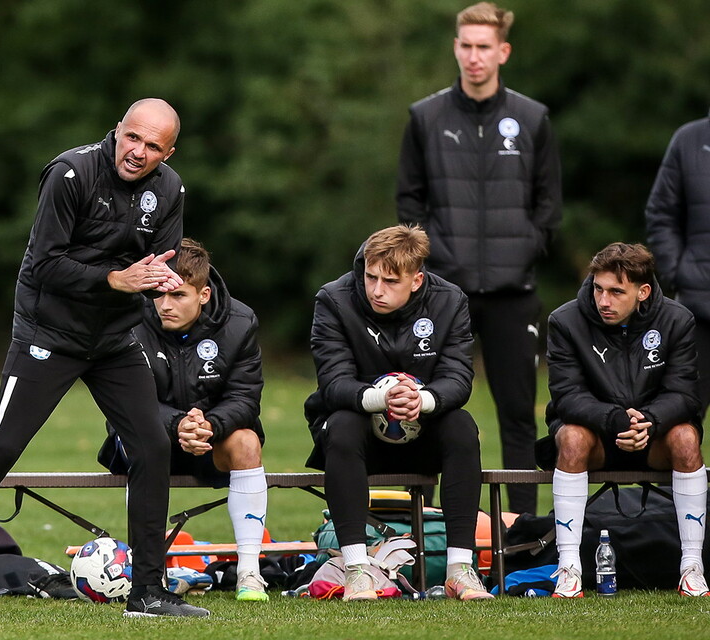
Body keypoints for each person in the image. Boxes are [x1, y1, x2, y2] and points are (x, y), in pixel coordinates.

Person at [0, 98, 210, 619]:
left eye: (153, 146)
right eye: (132, 137)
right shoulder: (71, 173)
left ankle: (147, 594)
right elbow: (43, 265)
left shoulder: (169, 189)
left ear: (168, 152)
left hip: (114, 338)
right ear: (117, 131)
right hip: (48, 333)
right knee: (2, 446)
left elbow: (157, 261)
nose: (138, 151)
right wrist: (116, 279)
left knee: (153, 444)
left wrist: (161, 280)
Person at [396, 1, 562, 515]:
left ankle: (524, 528)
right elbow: (409, 204)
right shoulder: (425, 117)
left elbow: (549, 205)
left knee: (517, 414)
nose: (473, 56)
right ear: (455, 47)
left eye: (483, 47)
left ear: (502, 51)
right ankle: (418, 530)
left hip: (514, 294)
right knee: (419, 407)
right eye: (465, 45)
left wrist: (524, 250)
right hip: (442, 294)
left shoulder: (532, 118)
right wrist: (435, 260)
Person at [304, 224, 493, 601]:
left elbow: (458, 377)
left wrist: (422, 401)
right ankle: (357, 569)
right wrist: (382, 397)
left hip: (425, 433)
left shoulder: (449, 300)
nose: (376, 289)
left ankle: (460, 570)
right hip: (355, 436)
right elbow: (333, 381)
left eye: (390, 281)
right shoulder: (334, 299)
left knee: (462, 426)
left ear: (417, 280)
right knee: (340, 424)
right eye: (371, 276)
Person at [98, 237, 268, 601]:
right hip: (145, 440)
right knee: (140, 439)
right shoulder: (127, 320)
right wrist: (177, 424)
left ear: (203, 295)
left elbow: (245, 398)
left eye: (178, 296)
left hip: (209, 440)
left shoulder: (239, 323)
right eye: (158, 294)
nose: (164, 305)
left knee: (247, 441)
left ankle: (249, 573)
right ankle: (148, 573)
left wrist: (208, 426)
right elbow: (121, 403)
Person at [544, 242, 707, 598]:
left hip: (655, 436)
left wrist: (649, 420)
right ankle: (569, 566)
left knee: (687, 438)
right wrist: (615, 420)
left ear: (642, 292)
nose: (604, 300)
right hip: (597, 439)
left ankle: (691, 566)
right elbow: (567, 396)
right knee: (570, 437)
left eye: (617, 292)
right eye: (598, 288)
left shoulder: (678, 320)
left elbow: (684, 394)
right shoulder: (565, 320)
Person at [645, 110, 710, 419]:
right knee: (681, 424)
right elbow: (661, 215)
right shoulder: (689, 140)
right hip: (698, 311)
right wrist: (681, 274)